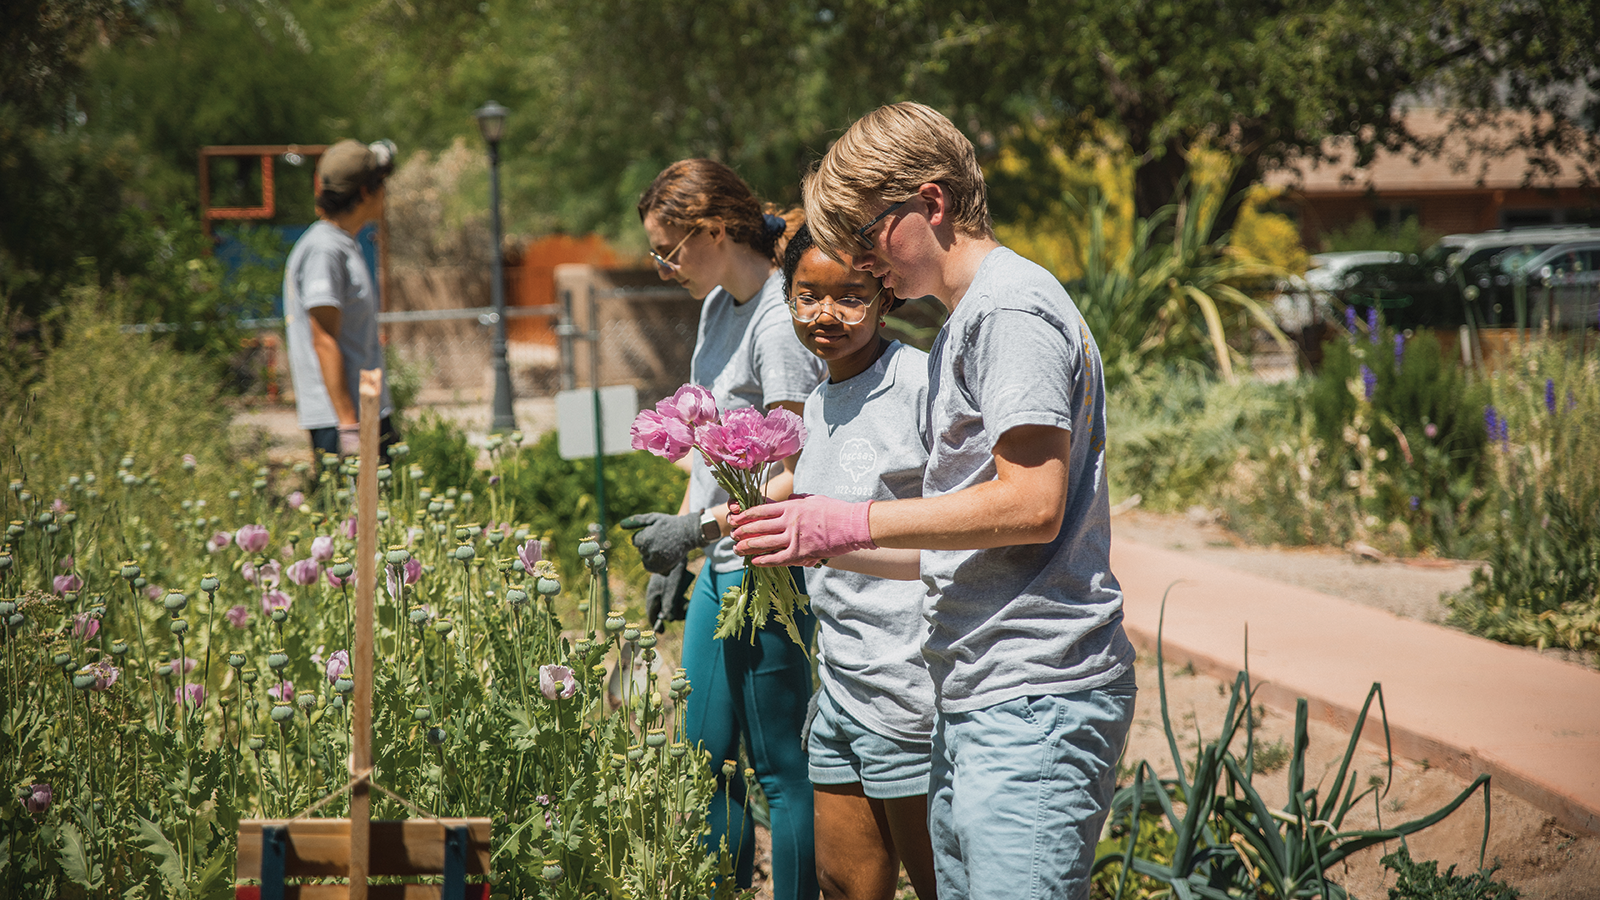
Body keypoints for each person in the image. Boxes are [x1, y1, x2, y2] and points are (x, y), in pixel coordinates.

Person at [730, 102, 1137, 900]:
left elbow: (1032, 504)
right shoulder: (963, 321)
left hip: (1035, 690)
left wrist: (849, 518)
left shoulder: (1010, 311)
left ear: (932, 203)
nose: (857, 260)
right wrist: (818, 539)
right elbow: (967, 536)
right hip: (980, 690)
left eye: (864, 234)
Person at [620, 159, 826, 899]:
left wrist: (697, 530)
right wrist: (679, 543)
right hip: (721, 557)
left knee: (778, 767)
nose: (663, 266)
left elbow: (793, 475)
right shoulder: (717, 308)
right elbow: (704, 441)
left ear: (713, 230)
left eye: (669, 250)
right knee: (704, 754)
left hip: (769, 561)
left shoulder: (779, 321)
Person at [780, 223, 938, 900]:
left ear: (884, 296)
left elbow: (960, 539)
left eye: (849, 296)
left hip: (908, 691)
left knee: (944, 888)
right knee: (843, 888)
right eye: (807, 294)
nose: (826, 315)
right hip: (841, 683)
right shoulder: (816, 401)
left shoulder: (919, 383)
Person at [283, 138, 400, 461]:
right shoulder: (324, 249)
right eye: (381, 183)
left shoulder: (343, 243)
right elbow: (323, 339)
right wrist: (350, 427)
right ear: (364, 192)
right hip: (342, 421)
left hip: (367, 409)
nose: (386, 192)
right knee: (351, 511)